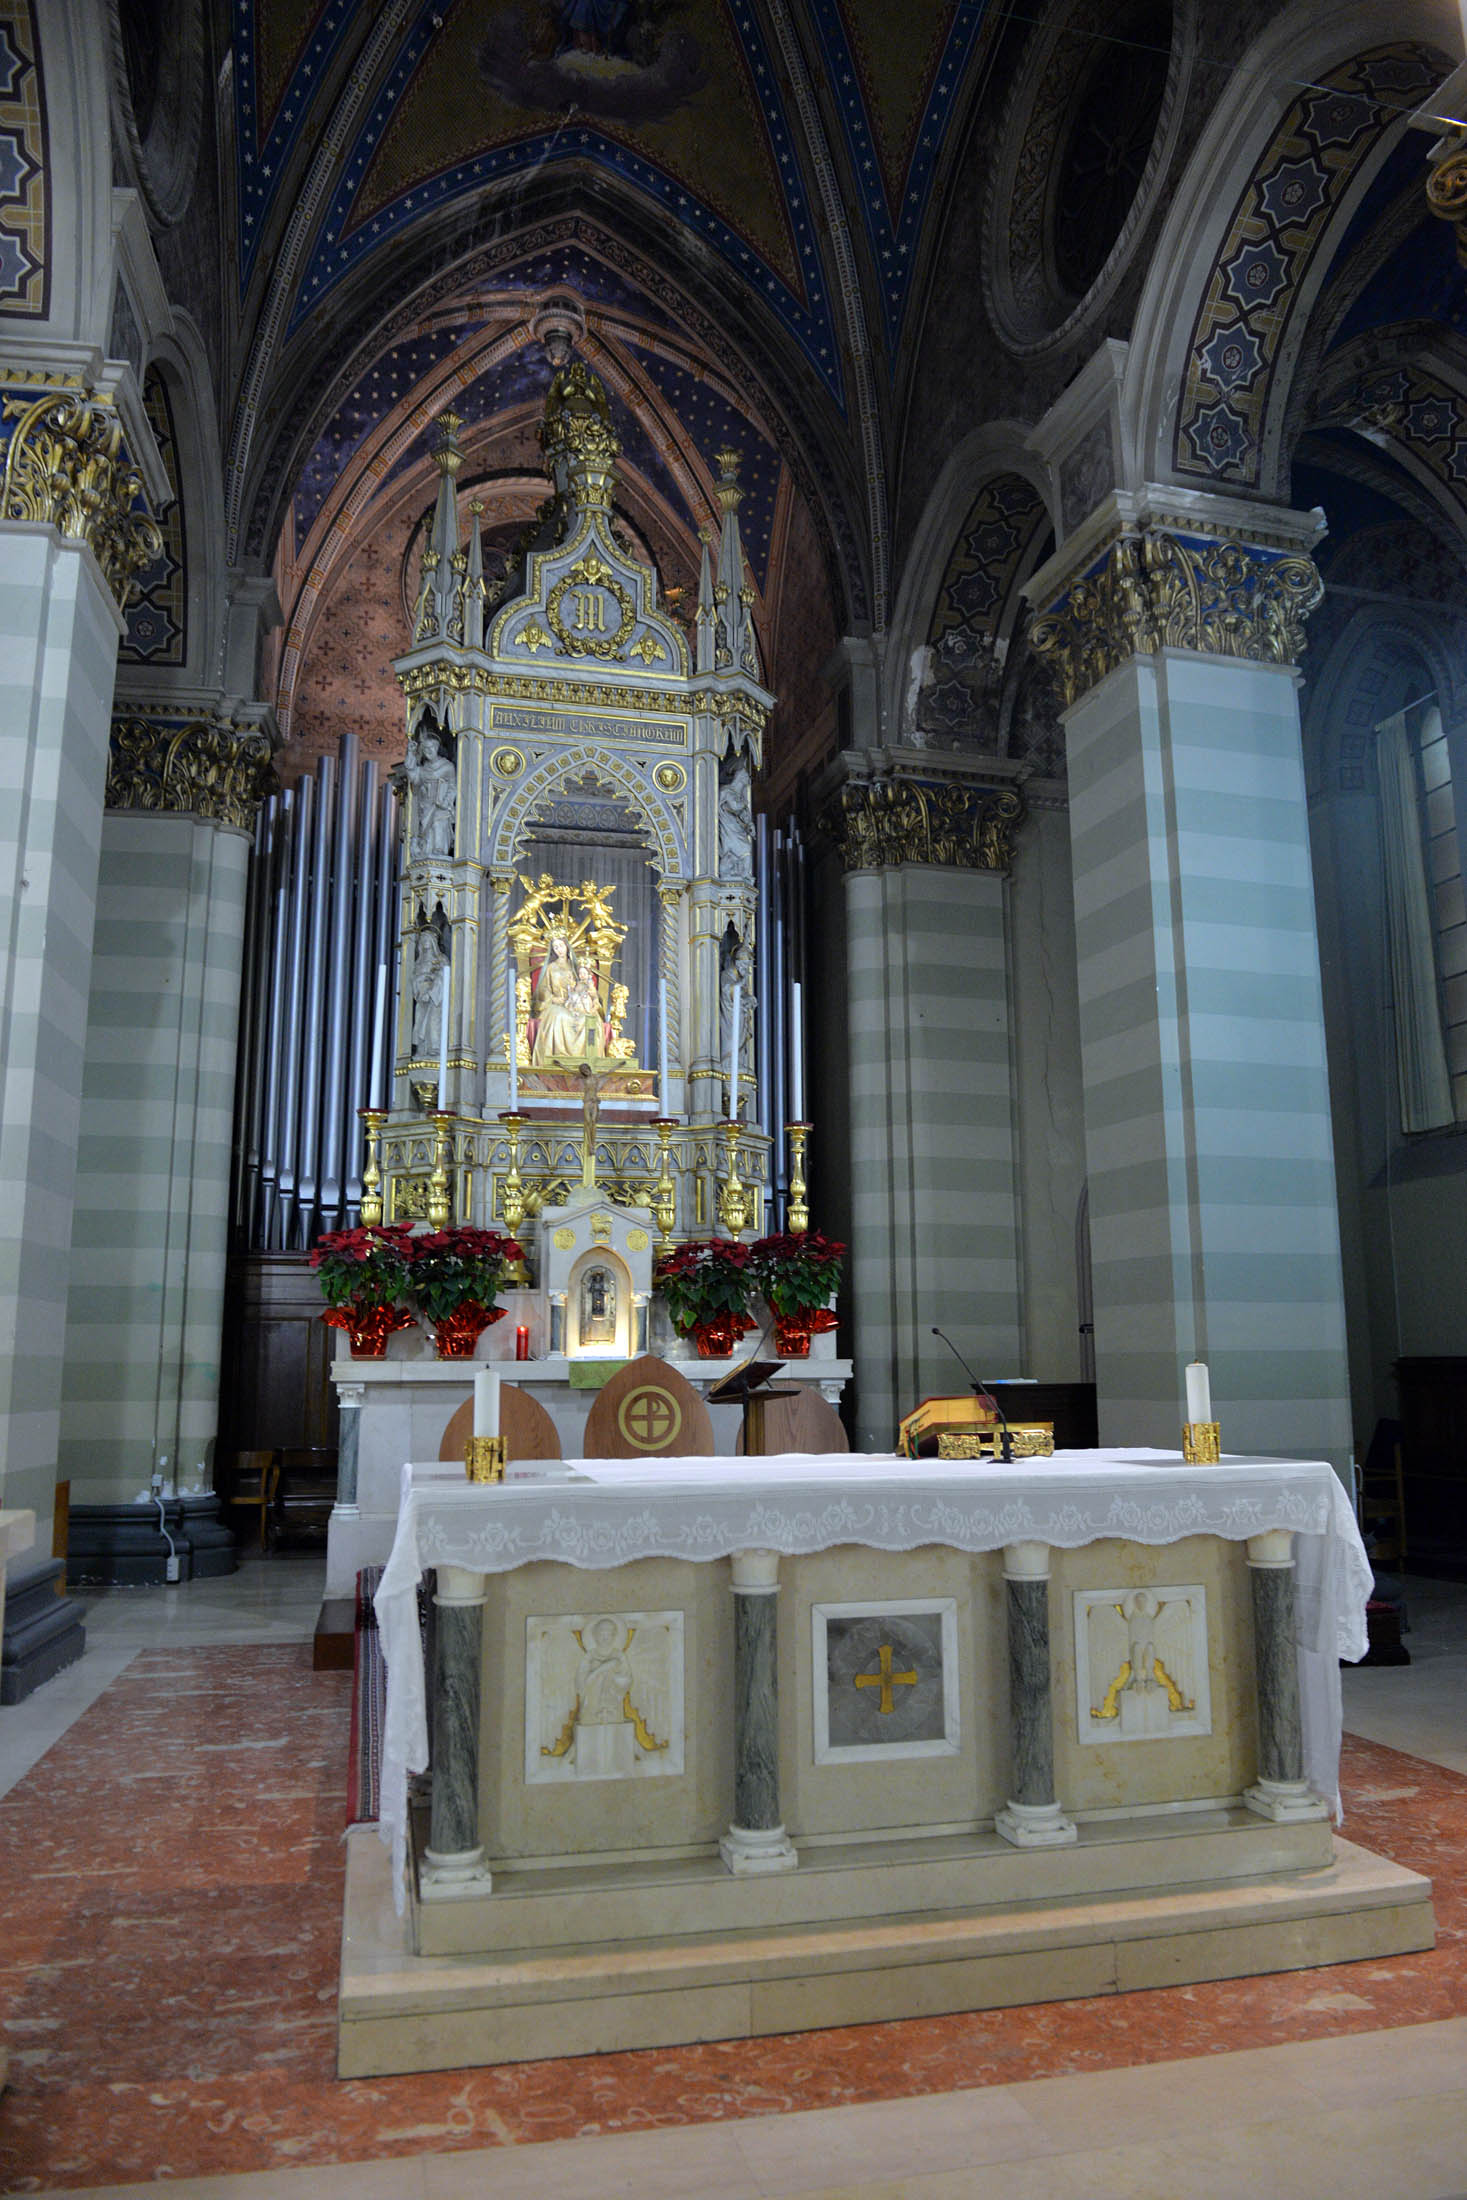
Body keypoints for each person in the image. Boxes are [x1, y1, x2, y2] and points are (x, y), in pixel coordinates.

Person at [531, 933, 605, 1065]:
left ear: (567, 946)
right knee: (560, 1017)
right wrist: (553, 998)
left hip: (578, 1003)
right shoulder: (551, 968)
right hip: (557, 1004)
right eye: (555, 947)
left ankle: (587, 1060)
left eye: (561, 946)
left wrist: (589, 997)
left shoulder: (576, 967)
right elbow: (544, 989)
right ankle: (560, 1058)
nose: (559, 950)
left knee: (591, 1020)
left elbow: (586, 984)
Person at [407, 727, 456, 859]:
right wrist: (411, 753)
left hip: (440, 804)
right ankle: (428, 851)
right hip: (425, 805)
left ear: (437, 748)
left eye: (431, 748)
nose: (428, 751)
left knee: (438, 824)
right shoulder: (423, 769)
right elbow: (413, 777)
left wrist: (446, 801)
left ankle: (439, 850)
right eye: (425, 749)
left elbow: (453, 787)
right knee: (426, 831)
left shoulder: (447, 766)